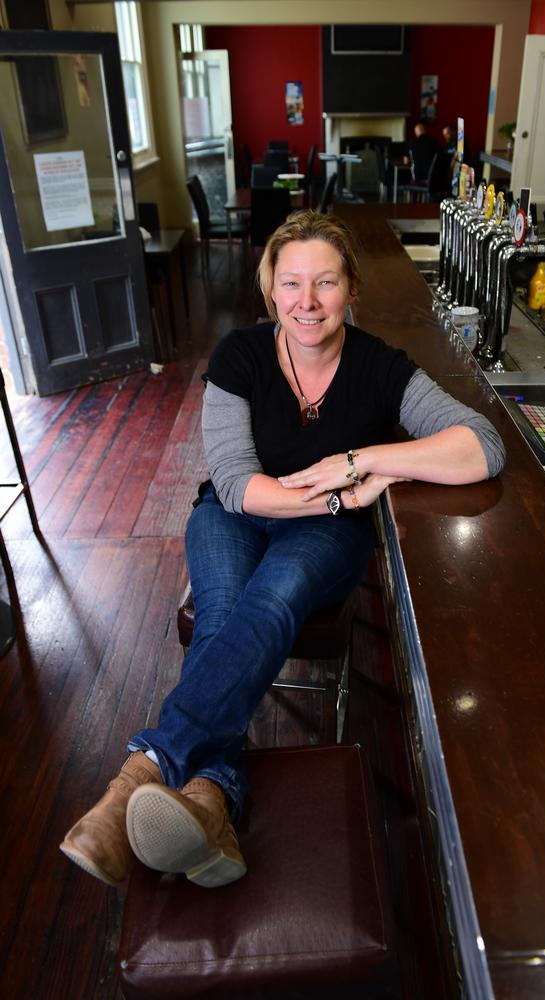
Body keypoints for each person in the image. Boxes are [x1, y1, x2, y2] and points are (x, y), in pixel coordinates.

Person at [60, 210, 505, 890]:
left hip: (322, 537)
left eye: (325, 283)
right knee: (222, 617)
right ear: (271, 289)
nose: (307, 302)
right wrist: (337, 490)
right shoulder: (241, 355)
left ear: (351, 288)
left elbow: (483, 446)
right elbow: (237, 485)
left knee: (270, 600)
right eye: (291, 284)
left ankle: (142, 773)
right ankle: (212, 797)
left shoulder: (380, 367)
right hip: (239, 518)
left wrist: (361, 458)